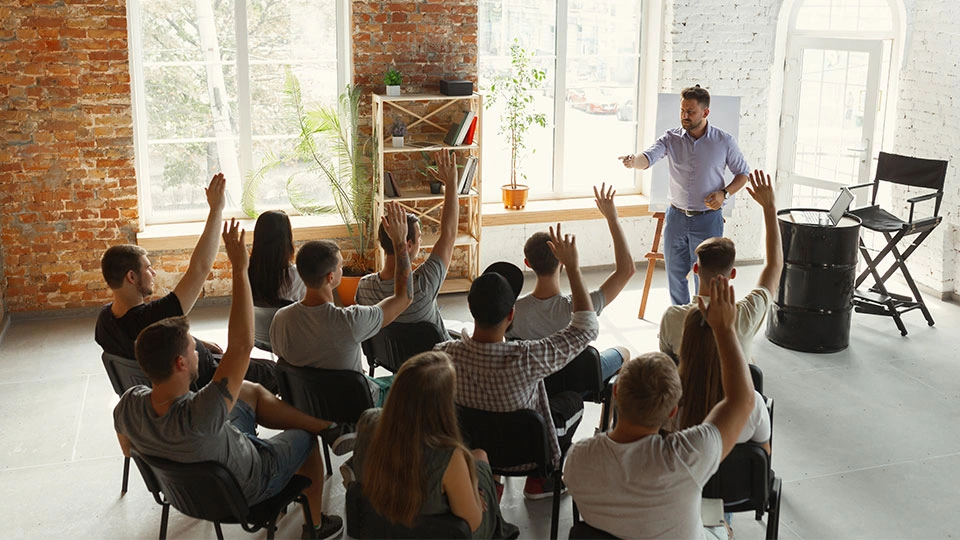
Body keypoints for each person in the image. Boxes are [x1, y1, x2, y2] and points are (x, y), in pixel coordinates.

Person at [113, 220, 345, 540]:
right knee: (304, 440)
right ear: (181, 363)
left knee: (248, 391)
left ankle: (327, 427)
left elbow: (128, 449)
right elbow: (240, 347)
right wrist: (239, 268)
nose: (199, 352)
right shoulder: (203, 411)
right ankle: (317, 526)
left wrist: (170, 450)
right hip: (246, 486)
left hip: (191, 491)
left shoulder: (129, 403)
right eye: (193, 348)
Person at [563, 276, 755, 539]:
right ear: (672, 411)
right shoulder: (688, 456)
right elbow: (742, 400)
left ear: (616, 393)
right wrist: (724, 330)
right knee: (720, 526)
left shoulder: (578, 458)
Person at [435, 225, 599, 499]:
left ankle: (491, 481)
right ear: (511, 314)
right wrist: (572, 268)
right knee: (572, 400)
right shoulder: (528, 357)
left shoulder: (444, 354)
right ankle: (542, 481)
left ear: (471, 308)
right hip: (528, 457)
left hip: (474, 449)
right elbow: (585, 329)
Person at [95, 173, 275, 391]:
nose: (153, 272)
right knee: (280, 373)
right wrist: (216, 209)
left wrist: (194, 342)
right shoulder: (150, 319)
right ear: (131, 277)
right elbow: (200, 268)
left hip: (195, 370)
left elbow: (160, 340)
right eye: (147, 267)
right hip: (213, 384)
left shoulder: (104, 321)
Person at [361, 351, 519, 539]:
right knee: (480, 460)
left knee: (479, 455)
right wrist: (476, 487)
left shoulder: (368, 421)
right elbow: (473, 522)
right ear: (442, 405)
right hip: (435, 534)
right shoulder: (448, 456)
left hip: (387, 527)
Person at [270, 202, 414, 406]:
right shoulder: (351, 320)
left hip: (310, 406)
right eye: (340, 267)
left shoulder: (280, 319)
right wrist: (400, 243)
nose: (343, 270)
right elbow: (404, 297)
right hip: (357, 406)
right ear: (331, 278)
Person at [619, 85, 751, 305]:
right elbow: (648, 157)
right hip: (676, 218)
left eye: (690, 112)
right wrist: (634, 161)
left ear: (705, 113)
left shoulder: (724, 141)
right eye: (682, 111)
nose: (684, 116)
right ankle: (681, 319)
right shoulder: (671, 138)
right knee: (675, 276)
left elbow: (743, 173)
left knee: (706, 279)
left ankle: (703, 322)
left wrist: (724, 193)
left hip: (708, 220)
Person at [507, 183, 634, 384]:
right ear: (562, 262)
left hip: (536, 381)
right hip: (578, 380)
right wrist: (613, 219)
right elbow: (626, 270)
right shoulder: (583, 307)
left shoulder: (513, 311)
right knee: (624, 352)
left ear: (528, 264)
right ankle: (608, 415)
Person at [659, 169, 781, 363]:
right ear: (732, 274)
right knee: (751, 362)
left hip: (688, 392)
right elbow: (775, 265)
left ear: (696, 269)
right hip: (733, 392)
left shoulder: (673, 317)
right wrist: (769, 208)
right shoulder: (745, 315)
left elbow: (669, 365)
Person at [673, 306, 772, 531]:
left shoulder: (667, 402)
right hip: (737, 491)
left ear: (684, 346)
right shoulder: (753, 403)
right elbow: (764, 454)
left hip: (682, 490)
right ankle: (719, 526)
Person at [356, 150, 459, 337]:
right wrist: (451, 183)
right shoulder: (424, 282)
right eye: (419, 237)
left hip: (392, 363)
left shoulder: (364, 288)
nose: (421, 241)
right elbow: (449, 234)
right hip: (435, 362)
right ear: (409, 245)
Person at [248, 210, 306, 352]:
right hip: (292, 339)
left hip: (259, 338)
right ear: (287, 239)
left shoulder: (246, 272)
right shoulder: (298, 275)